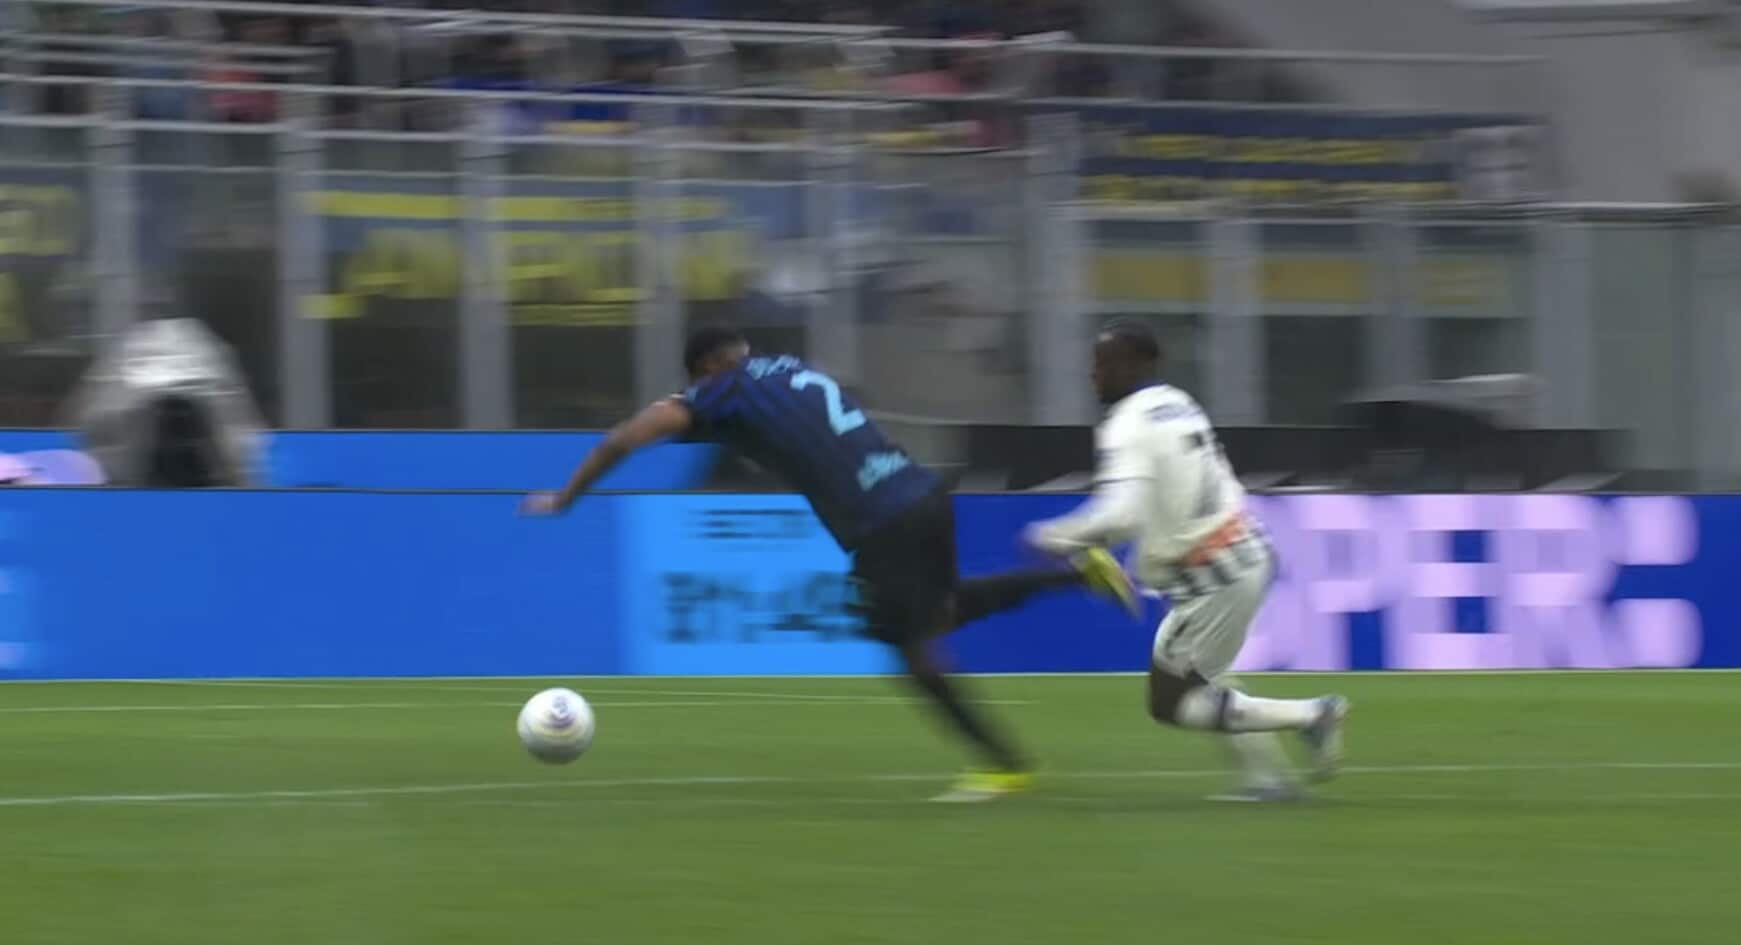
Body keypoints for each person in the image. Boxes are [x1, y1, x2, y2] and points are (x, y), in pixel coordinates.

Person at [524, 328, 1140, 802]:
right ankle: (1075, 575)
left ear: (706, 366)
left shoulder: (721, 389)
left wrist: (566, 496)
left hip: (879, 520)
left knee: (911, 650)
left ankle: (1005, 765)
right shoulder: (793, 369)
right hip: (921, 493)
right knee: (941, 610)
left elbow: (626, 437)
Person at [1023, 322, 1348, 802]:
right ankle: (1268, 780)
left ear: (1137, 365)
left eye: (1104, 364)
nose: (1094, 375)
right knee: (1203, 673)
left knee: (1171, 702)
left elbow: (1124, 512)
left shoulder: (1126, 425)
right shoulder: (1178, 402)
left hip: (1211, 575)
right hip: (1241, 551)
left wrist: (1055, 536)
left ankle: (1312, 715)